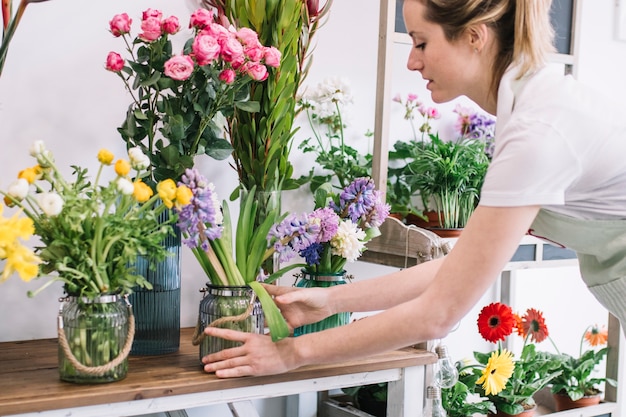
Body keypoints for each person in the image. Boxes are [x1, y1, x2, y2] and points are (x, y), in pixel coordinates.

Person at [202, 0, 626, 378]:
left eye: (421, 43)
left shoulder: (539, 133)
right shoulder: (532, 111)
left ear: (475, 36)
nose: (411, 62)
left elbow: (439, 313)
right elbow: (458, 269)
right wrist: (330, 300)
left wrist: (290, 354)